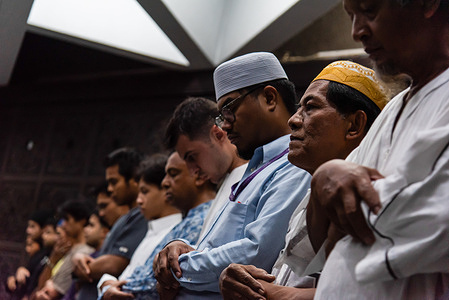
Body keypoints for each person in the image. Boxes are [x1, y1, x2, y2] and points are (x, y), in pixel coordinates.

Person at [305, 0, 449, 299]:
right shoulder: (395, 107)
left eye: (369, 10)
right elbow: (322, 233)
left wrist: (343, 220)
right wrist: (324, 177)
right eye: (351, 16)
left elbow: (430, 224)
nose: (357, 31)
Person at [219, 60, 387, 300]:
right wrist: (246, 282)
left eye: (310, 107)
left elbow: (372, 291)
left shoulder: (372, 196)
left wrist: (277, 294)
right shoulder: (307, 200)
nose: (294, 120)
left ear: (354, 125)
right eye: (299, 108)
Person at [154, 52, 311, 299]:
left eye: (229, 108)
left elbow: (256, 253)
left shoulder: (294, 164)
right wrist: (185, 250)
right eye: (221, 116)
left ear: (270, 98)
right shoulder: (257, 167)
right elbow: (224, 248)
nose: (225, 125)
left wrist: (177, 269)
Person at [100, 152, 215, 299]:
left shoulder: (201, 220)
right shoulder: (186, 221)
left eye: (173, 174)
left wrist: (109, 286)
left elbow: (158, 283)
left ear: (199, 175)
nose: (165, 183)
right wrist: (107, 285)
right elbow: (144, 275)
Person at [96, 154, 183, 298]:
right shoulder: (151, 230)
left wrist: (107, 285)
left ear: (166, 189)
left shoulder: (176, 233)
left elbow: (143, 286)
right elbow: (127, 277)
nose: (139, 200)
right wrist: (106, 284)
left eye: (145, 191)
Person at [165, 96, 247, 240]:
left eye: (192, 157)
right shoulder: (227, 183)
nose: (193, 170)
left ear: (218, 135)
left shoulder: (251, 178)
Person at [72, 148, 147, 285]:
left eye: (114, 182)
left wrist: (79, 268)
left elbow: (114, 265)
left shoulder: (143, 215)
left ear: (134, 179)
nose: (110, 189)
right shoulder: (127, 218)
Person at [34, 200, 94, 300]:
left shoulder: (83, 252)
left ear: (82, 221)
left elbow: (52, 292)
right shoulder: (68, 249)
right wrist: (54, 257)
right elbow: (40, 287)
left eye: (67, 219)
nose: (63, 225)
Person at [61, 210, 110, 300]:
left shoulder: (105, 258)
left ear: (104, 232)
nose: (85, 229)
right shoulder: (89, 256)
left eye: (91, 225)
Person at [6, 209, 55, 300]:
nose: (28, 230)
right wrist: (13, 279)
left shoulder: (48, 254)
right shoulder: (38, 254)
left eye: (33, 226)